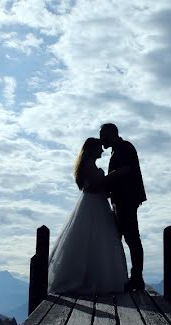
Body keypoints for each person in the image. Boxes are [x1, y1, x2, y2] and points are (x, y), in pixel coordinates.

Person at [47, 137, 128, 295]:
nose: (102, 151)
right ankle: (92, 279)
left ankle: (92, 277)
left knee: (93, 239)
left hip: (95, 202)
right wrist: (114, 175)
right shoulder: (88, 165)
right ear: (92, 149)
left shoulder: (88, 165)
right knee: (94, 238)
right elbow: (95, 185)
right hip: (94, 203)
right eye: (99, 148)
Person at [100, 123, 147, 291]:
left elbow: (125, 171)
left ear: (110, 134)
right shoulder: (120, 148)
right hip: (121, 199)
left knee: (132, 238)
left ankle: (136, 279)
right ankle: (123, 276)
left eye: (102, 135)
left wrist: (103, 182)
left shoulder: (124, 147)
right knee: (122, 238)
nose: (100, 139)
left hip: (126, 200)